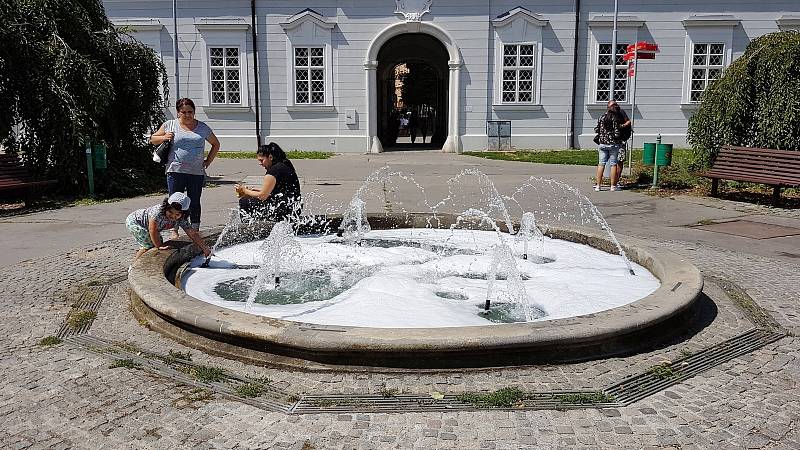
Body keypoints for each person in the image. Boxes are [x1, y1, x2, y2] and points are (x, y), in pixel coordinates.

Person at [150, 98, 220, 238]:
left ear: (194, 112)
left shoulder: (202, 127)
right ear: (178, 113)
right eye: (184, 112)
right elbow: (152, 139)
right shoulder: (170, 125)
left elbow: (216, 144)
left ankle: (195, 228)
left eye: (190, 112)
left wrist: (208, 161)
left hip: (196, 172)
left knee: (194, 201)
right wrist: (164, 137)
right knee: (174, 202)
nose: (187, 115)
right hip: (175, 170)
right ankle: (174, 230)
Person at [125, 192, 211, 262]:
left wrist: (204, 248)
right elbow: (152, 230)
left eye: (177, 214)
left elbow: (192, 234)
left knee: (158, 243)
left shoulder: (182, 219)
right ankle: (134, 267)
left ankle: (145, 262)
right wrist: (159, 246)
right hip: (136, 222)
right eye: (170, 212)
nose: (173, 216)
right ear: (165, 207)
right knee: (149, 245)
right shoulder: (158, 213)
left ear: (183, 214)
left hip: (148, 227)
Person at [235, 142, 302, 222]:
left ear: (270, 157)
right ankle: (260, 222)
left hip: (282, 210)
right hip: (293, 208)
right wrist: (251, 191)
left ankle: (249, 228)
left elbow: (262, 196)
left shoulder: (273, 171)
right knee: (251, 197)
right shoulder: (284, 165)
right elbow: (275, 192)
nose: (261, 164)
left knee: (244, 201)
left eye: (262, 160)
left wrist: (244, 191)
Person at [593, 106, 623, 191]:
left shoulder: (601, 117)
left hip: (602, 144)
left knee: (601, 164)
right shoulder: (615, 119)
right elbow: (617, 133)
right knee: (613, 164)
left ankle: (598, 185)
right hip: (613, 144)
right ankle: (613, 186)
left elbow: (596, 129)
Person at [608, 101, 632, 188]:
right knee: (611, 162)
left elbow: (628, 122)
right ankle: (612, 181)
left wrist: (623, 125)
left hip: (621, 141)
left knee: (619, 161)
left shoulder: (621, 112)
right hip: (611, 142)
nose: (615, 107)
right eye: (612, 105)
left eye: (616, 105)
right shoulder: (608, 114)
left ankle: (616, 181)